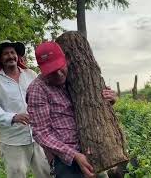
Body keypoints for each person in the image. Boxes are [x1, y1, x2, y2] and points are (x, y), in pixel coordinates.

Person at [26, 41, 117, 178]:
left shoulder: (77, 77)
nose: (59, 74)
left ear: (66, 59)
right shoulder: (37, 89)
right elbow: (42, 133)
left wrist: (109, 100)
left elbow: (91, 106)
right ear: (41, 68)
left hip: (92, 146)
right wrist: (74, 155)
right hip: (66, 160)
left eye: (60, 66)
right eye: (51, 71)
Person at [0, 40, 52, 178]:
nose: (10, 56)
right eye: (5, 54)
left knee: (46, 174)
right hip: (13, 142)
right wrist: (13, 117)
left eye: (12, 53)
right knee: (17, 175)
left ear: (17, 56)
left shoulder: (31, 74)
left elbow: (45, 96)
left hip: (38, 137)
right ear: (0, 59)